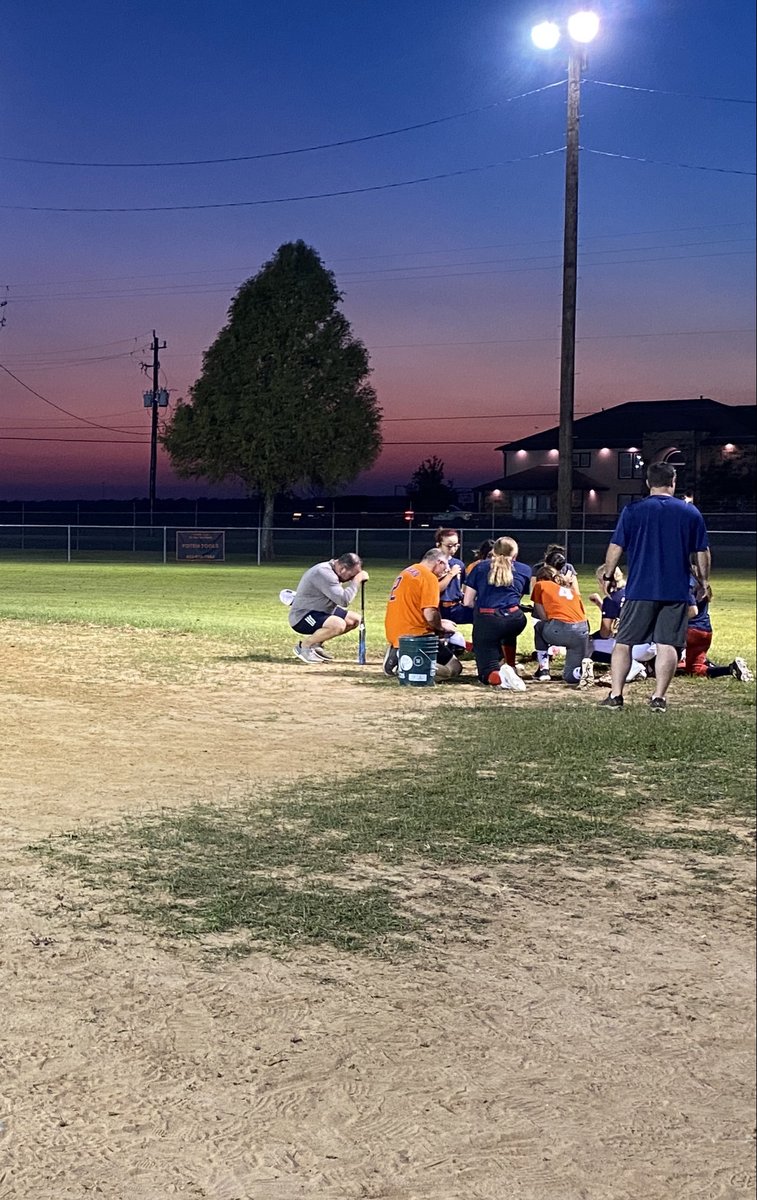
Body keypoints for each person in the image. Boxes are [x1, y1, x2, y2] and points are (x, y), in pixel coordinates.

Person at [598, 461, 710, 713]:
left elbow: (616, 546)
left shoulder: (633, 510)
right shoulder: (690, 512)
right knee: (667, 644)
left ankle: (616, 695)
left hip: (640, 589)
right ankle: (658, 697)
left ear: (648, 483)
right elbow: (702, 551)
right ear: (673, 482)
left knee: (624, 643)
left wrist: (608, 575)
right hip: (676, 590)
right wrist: (703, 582)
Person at [383, 548, 462, 680]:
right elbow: (430, 613)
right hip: (416, 636)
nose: (446, 571)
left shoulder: (407, 571)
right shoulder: (428, 577)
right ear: (439, 562)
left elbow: (413, 608)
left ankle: (399, 653)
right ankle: (406, 664)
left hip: (395, 632)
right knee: (454, 668)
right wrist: (440, 628)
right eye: (446, 567)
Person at [462, 536, 530, 688]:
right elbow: (517, 596)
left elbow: (467, 601)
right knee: (506, 632)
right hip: (515, 619)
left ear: (494, 551)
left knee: (487, 672)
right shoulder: (525, 569)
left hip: (489, 619)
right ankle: (510, 665)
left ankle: (501, 677)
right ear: (515, 554)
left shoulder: (480, 567)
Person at [289, 552, 369, 664]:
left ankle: (316, 645)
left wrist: (355, 579)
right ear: (342, 569)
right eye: (351, 575)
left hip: (321, 610)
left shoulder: (333, 571)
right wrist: (356, 582)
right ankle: (304, 647)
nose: (352, 579)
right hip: (303, 616)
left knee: (355, 619)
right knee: (338, 624)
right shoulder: (323, 572)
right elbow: (343, 600)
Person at [679, 567, 753, 682]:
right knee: (693, 661)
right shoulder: (705, 587)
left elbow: (693, 611)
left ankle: (729, 669)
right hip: (706, 631)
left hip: (691, 631)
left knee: (693, 669)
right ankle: (727, 668)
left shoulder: (688, 587)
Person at [586, 567, 656, 685]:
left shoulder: (611, 599)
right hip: (654, 645)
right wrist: (600, 605)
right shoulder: (635, 591)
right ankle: (644, 664)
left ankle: (633, 665)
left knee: (587, 645)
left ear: (604, 581)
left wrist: (592, 636)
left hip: (634, 648)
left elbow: (605, 632)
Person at [530, 551, 591, 686]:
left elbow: (543, 616)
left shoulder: (541, 585)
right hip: (582, 631)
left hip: (561, 629)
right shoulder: (571, 591)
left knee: (539, 627)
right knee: (570, 677)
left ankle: (544, 669)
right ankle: (583, 672)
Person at [434, 527, 471, 624]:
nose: (453, 549)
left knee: (479, 616)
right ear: (438, 545)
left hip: (456, 607)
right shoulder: (433, 564)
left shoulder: (459, 564)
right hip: (439, 608)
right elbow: (435, 589)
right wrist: (451, 574)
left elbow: (462, 586)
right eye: (449, 546)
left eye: (456, 545)